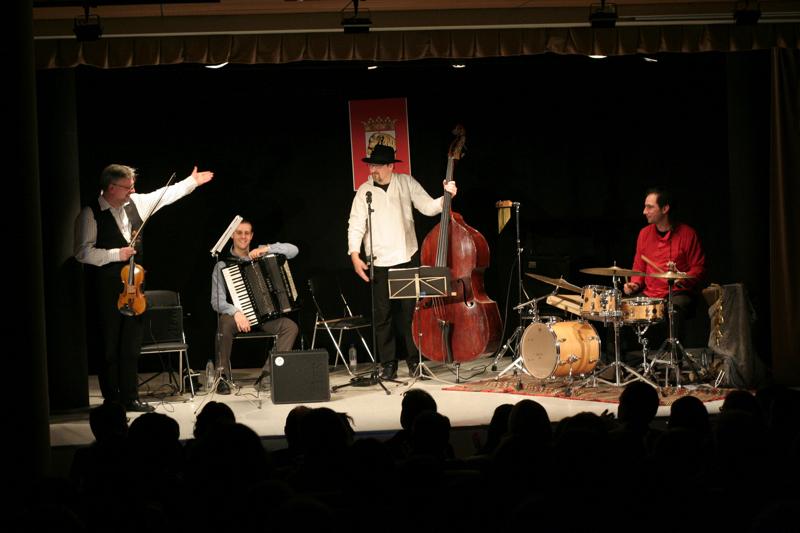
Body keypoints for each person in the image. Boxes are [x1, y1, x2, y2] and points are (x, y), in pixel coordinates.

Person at [75, 164, 213, 412]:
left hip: (134, 288)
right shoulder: (90, 213)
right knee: (109, 348)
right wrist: (116, 254)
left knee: (131, 346)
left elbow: (164, 195)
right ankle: (112, 401)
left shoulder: (136, 203)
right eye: (128, 187)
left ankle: (131, 398)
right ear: (111, 187)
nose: (133, 191)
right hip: (106, 290)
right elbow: (82, 252)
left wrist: (191, 182)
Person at [347, 144, 457, 379]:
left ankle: (414, 361)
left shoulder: (405, 182)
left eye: (377, 166)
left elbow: (427, 207)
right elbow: (355, 225)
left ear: (390, 166)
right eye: (371, 165)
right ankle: (388, 364)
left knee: (411, 314)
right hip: (379, 261)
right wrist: (355, 255)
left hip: (406, 257)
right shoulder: (364, 192)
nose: (373, 170)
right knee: (383, 316)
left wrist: (445, 196)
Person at [210, 219, 299, 394]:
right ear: (232, 235)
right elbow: (216, 301)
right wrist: (236, 312)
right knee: (224, 324)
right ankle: (222, 377)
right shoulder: (222, 265)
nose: (243, 237)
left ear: (251, 236)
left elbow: (293, 250)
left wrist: (266, 249)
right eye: (239, 233)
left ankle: (268, 375)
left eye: (247, 233)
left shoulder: (261, 254)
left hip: (264, 317)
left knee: (290, 327)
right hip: (238, 318)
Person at [623, 187, 706, 356]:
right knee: (619, 310)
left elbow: (699, 268)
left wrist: (682, 277)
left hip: (677, 292)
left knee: (674, 308)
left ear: (665, 208)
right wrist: (634, 285)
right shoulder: (644, 234)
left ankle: (675, 360)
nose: (644, 211)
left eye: (650, 207)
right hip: (651, 293)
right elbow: (639, 268)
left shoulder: (688, 234)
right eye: (645, 206)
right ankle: (623, 362)